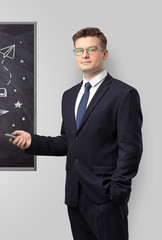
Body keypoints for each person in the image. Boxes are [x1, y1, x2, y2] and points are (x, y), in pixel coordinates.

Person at [10, 27, 143, 240]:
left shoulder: (124, 94)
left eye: (91, 49)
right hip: (75, 195)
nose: (85, 55)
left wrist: (117, 193)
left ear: (104, 54)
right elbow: (68, 142)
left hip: (106, 196)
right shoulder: (69, 96)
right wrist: (31, 141)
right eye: (79, 51)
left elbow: (131, 148)